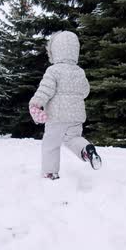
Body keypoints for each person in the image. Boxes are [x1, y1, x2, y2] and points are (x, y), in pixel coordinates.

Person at [29, 31, 102, 180]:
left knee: (51, 144)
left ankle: (50, 173)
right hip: (76, 117)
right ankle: (86, 150)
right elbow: (85, 92)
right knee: (73, 138)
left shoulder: (53, 70)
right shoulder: (79, 72)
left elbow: (45, 90)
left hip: (56, 117)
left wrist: (36, 103)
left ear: (54, 51)